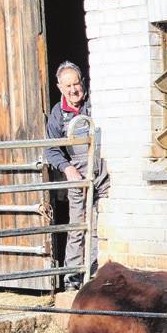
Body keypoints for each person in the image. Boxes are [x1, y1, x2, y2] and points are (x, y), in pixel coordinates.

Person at [45, 61, 109, 290]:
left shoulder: (95, 103)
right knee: (78, 229)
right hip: (78, 175)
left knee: (98, 226)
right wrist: (67, 168)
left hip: (102, 173)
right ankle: (72, 280)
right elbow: (51, 149)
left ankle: (91, 278)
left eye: (76, 83)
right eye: (68, 85)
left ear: (82, 82)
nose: (73, 90)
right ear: (59, 87)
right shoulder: (57, 113)